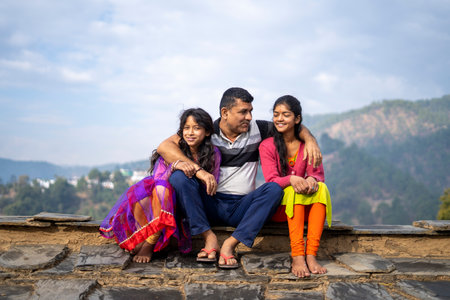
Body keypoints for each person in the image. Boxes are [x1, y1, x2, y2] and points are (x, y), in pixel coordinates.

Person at [157, 87, 323, 269]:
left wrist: (310, 140)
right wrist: (200, 172)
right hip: (210, 202)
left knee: (274, 189)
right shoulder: (206, 131)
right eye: (243, 112)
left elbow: (289, 124)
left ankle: (231, 244)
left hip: (243, 206)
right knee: (180, 178)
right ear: (225, 113)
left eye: (250, 111)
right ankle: (208, 237)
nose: (249, 117)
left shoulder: (258, 129)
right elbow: (164, 146)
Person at [99, 108, 221, 263]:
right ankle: (147, 240)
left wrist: (192, 179)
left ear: (207, 132)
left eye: (197, 128)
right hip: (167, 203)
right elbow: (159, 180)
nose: (190, 132)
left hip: (194, 203)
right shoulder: (174, 152)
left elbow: (210, 183)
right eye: (187, 128)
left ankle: (149, 245)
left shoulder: (213, 153)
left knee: (177, 184)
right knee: (161, 189)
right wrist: (175, 166)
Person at [259, 95, 332, 278]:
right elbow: (271, 180)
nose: (279, 119)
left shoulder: (308, 146)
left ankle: (311, 255)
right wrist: (292, 180)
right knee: (292, 191)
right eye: (276, 114)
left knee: (321, 189)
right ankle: (297, 255)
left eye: (286, 114)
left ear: (297, 118)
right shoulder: (267, 146)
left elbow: (317, 175)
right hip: (279, 209)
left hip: (305, 210)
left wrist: (312, 180)